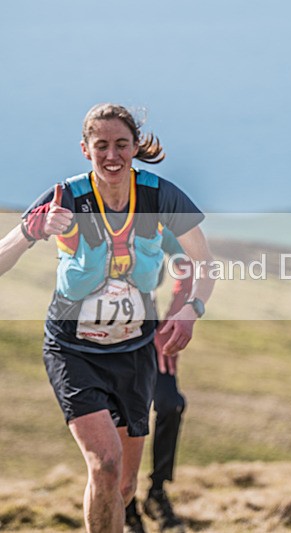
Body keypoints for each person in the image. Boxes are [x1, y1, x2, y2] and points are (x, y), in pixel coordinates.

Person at [0, 103, 214, 533]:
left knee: (123, 486)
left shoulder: (160, 196)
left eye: (121, 144)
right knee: (105, 464)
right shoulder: (66, 198)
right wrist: (30, 231)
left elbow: (204, 264)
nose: (111, 156)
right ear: (85, 149)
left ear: (136, 146)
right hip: (73, 350)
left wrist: (191, 310)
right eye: (101, 146)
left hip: (134, 352)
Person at [125, 229, 192, 533]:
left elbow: (188, 263)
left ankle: (157, 492)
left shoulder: (151, 223)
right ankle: (125, 504)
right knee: (121, 416)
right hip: (102, 332)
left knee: (170, 404)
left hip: (149, 327)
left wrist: (174, 317)